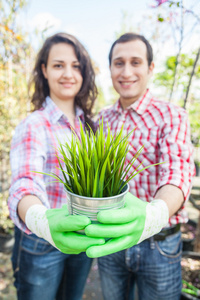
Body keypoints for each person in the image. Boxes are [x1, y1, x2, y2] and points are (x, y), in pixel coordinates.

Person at [84, 33, 195, 300]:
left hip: (159, 244)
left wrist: (153, 215)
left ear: (150, 68)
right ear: (110, 68)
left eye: (136, 62)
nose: (127, 71)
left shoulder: (171, 115)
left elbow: (177, 171)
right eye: (118, 63)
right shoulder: (101, 120)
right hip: (111, 243)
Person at [7, 32, 105, 300]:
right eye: (58, 65)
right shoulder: (35, 124)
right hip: (42, 241)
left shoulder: (91, 127)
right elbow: (25, 182)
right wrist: (43, 221)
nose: (68, 74)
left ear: (84, 73)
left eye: (76, 66)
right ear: (44, 70)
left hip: (82, 237)